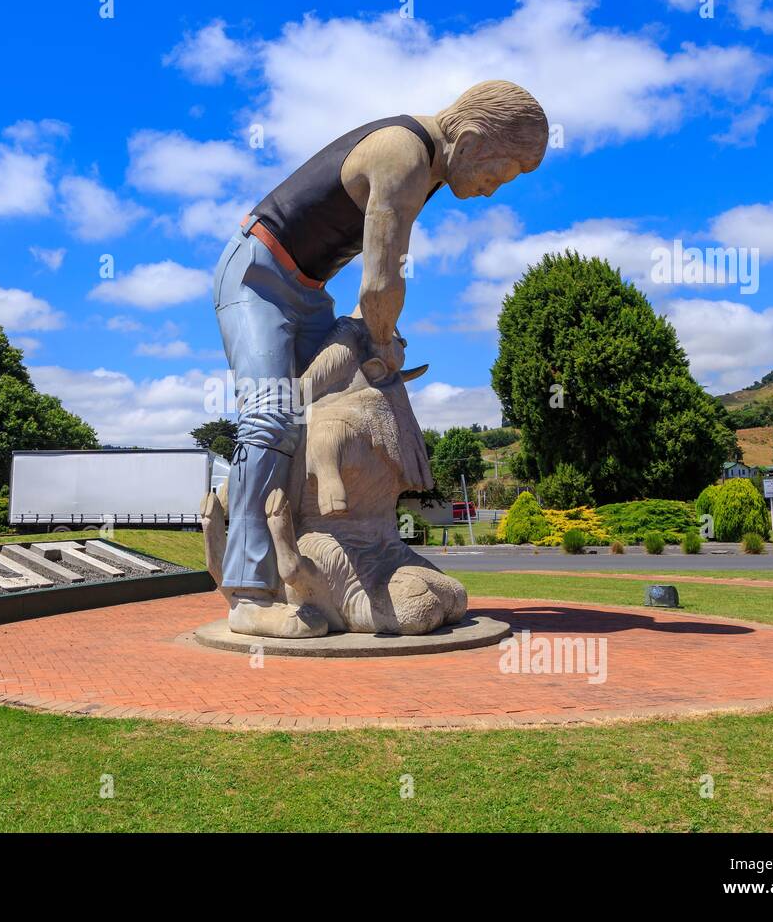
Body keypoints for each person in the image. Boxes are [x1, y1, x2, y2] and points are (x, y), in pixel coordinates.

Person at [213, 80, 549, 637]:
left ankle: (309, 567)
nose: (493, 189)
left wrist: (374, 341)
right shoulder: (404, 154)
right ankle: (249, 592)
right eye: (500, 171)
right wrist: (383, 337)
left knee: (325, 398)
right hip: (256, 278)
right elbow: (379, 284)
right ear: (468, 140)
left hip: (308, 291)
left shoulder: (428, 164)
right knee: (273, 415)